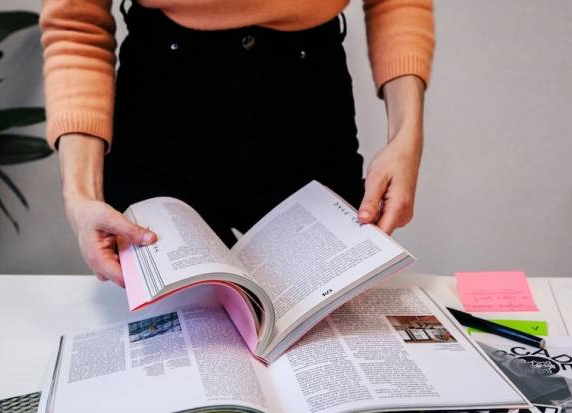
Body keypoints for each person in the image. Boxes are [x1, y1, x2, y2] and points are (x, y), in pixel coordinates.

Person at [40, 0, 435, 287]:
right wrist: (80, 197)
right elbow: (76, 25)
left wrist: (406, 138)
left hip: (307, 104)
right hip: (162, 109)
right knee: (177, 343)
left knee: (328, 337)